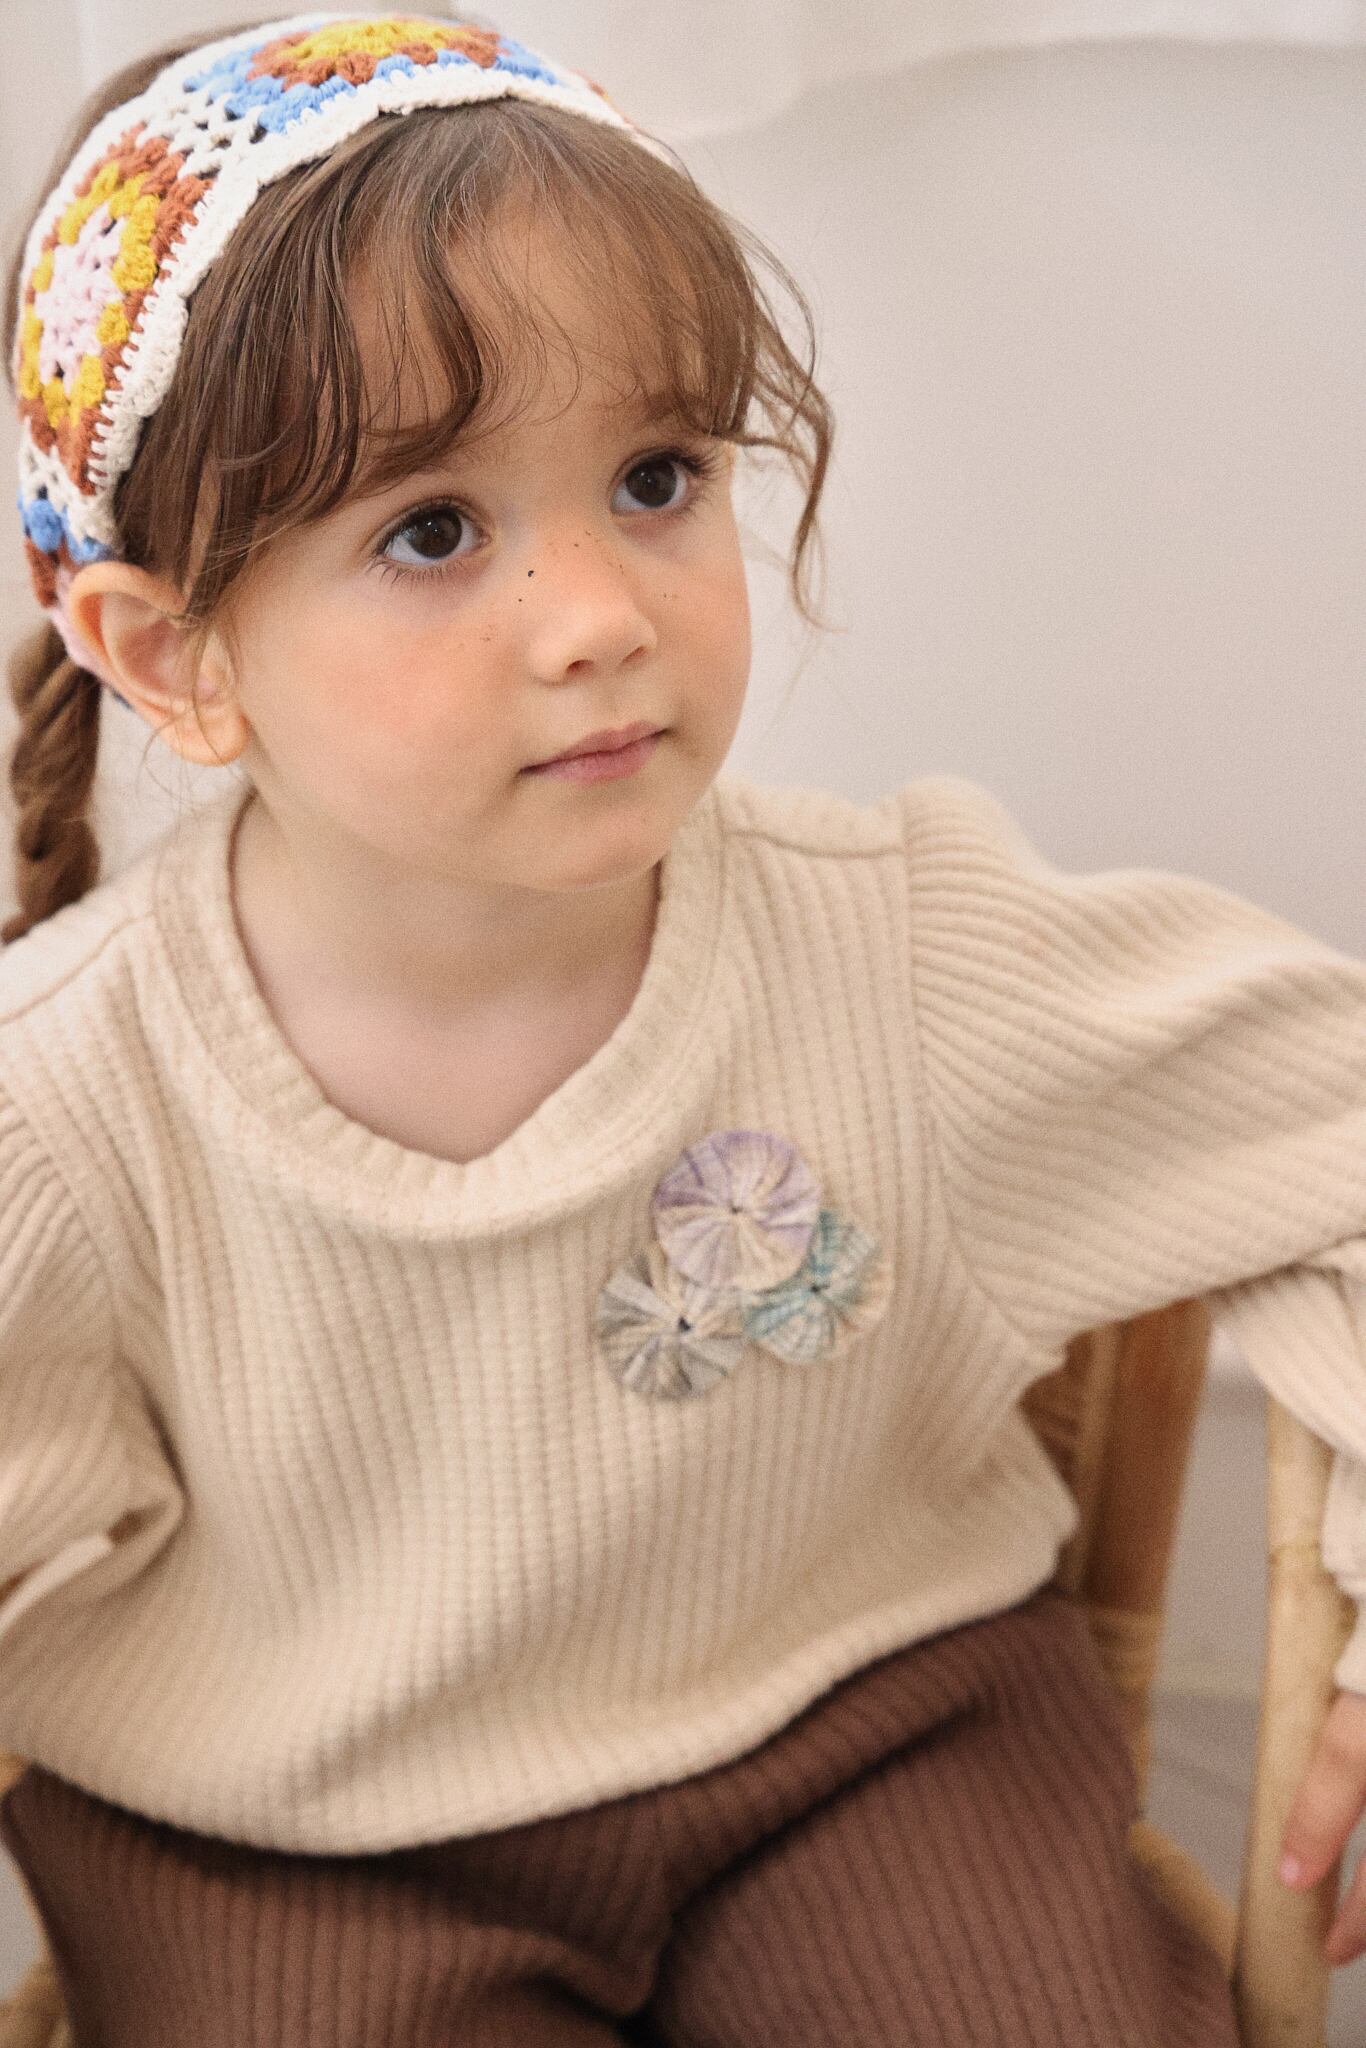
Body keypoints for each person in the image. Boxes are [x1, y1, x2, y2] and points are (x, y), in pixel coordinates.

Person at [2, 12, 1365, 2044]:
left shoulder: (899, 957)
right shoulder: (63, 1110)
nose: (599, 616)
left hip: (869, 1748)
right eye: (432, 529)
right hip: (283, 1838)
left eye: (655, 478)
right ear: (170, 652)